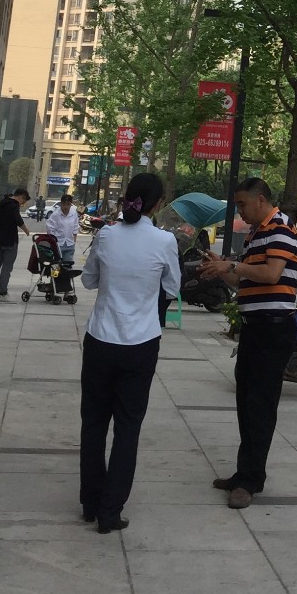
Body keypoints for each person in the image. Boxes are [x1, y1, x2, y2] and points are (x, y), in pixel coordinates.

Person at [78, 172, 180, 533]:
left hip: (101, 339)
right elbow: (173, 286)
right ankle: (110, 511)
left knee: (93, 423)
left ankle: (90, 502)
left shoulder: (106, 235)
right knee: (128, 427)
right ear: (158, 204)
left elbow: (88, 280)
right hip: (141, 344)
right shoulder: (165, 241)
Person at [200, 178, 297, 510]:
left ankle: (251, 481)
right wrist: (220, 268)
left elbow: (271, 274)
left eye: (242, 204)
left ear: (260, 200)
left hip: (273, 330)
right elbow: (242, 280)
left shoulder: (281, 228)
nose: (240, 211)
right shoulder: (257, 233)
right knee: (246, 402)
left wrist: (232, 264)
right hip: (254, 328)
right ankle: (245, 471)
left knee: (260, 406)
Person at [0, 188, 30, 300]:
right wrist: (26, 230)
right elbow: (18, 220)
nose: (22, 204)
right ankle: (2, 293)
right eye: (23, 202)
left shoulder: (0, 204)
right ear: (21, 197)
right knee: (6, 268)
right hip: (10, 241)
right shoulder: (14, 205)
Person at [45, 193, 81, 262]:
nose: (66, 207)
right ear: (61, 204)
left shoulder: (73, 214)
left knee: (68, 265)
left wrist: (74, 242)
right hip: (58, 244)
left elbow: (75, 228)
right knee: (58, 265)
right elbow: (50, 229)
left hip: (70, 244)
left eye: (68, 204)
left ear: (71, 204)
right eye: (64, 204)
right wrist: (53, 242)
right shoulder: (56, 214)